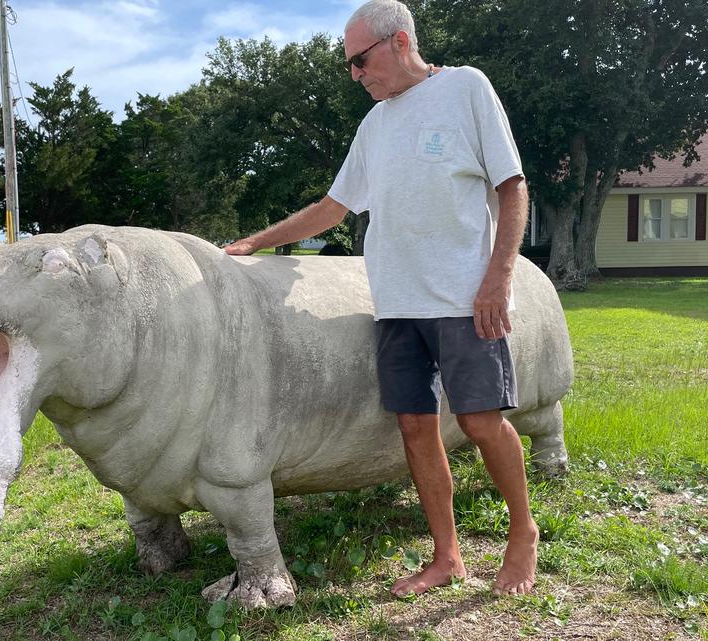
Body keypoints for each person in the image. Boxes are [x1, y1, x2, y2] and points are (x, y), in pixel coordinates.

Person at [223, 0, 537, 597]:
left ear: (398, 42)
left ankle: (522, 530)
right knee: (416, 429)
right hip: (396, 306)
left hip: (465, 299)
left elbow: (512, 185)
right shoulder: (374, 127)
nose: (355, 74)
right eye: (348, 65)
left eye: (359, 61)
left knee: (479, 421)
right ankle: (447, 557)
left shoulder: (467, 89)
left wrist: (499, 278)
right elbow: (331, 208)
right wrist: (254, 244)